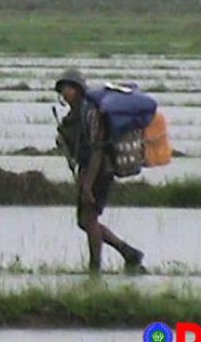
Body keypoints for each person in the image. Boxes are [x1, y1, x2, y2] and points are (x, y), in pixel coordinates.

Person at [55, 69, 145, 273]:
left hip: (100, 170)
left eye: (67, 88)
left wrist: (87, 184)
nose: (64, 94)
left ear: (77, 89)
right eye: (62, 90)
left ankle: (95, 268)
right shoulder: (72, 116)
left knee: (89, 219)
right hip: (87, 169)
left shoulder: (91, 113)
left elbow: (97, 149)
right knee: (84, 221)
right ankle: (128, 252)